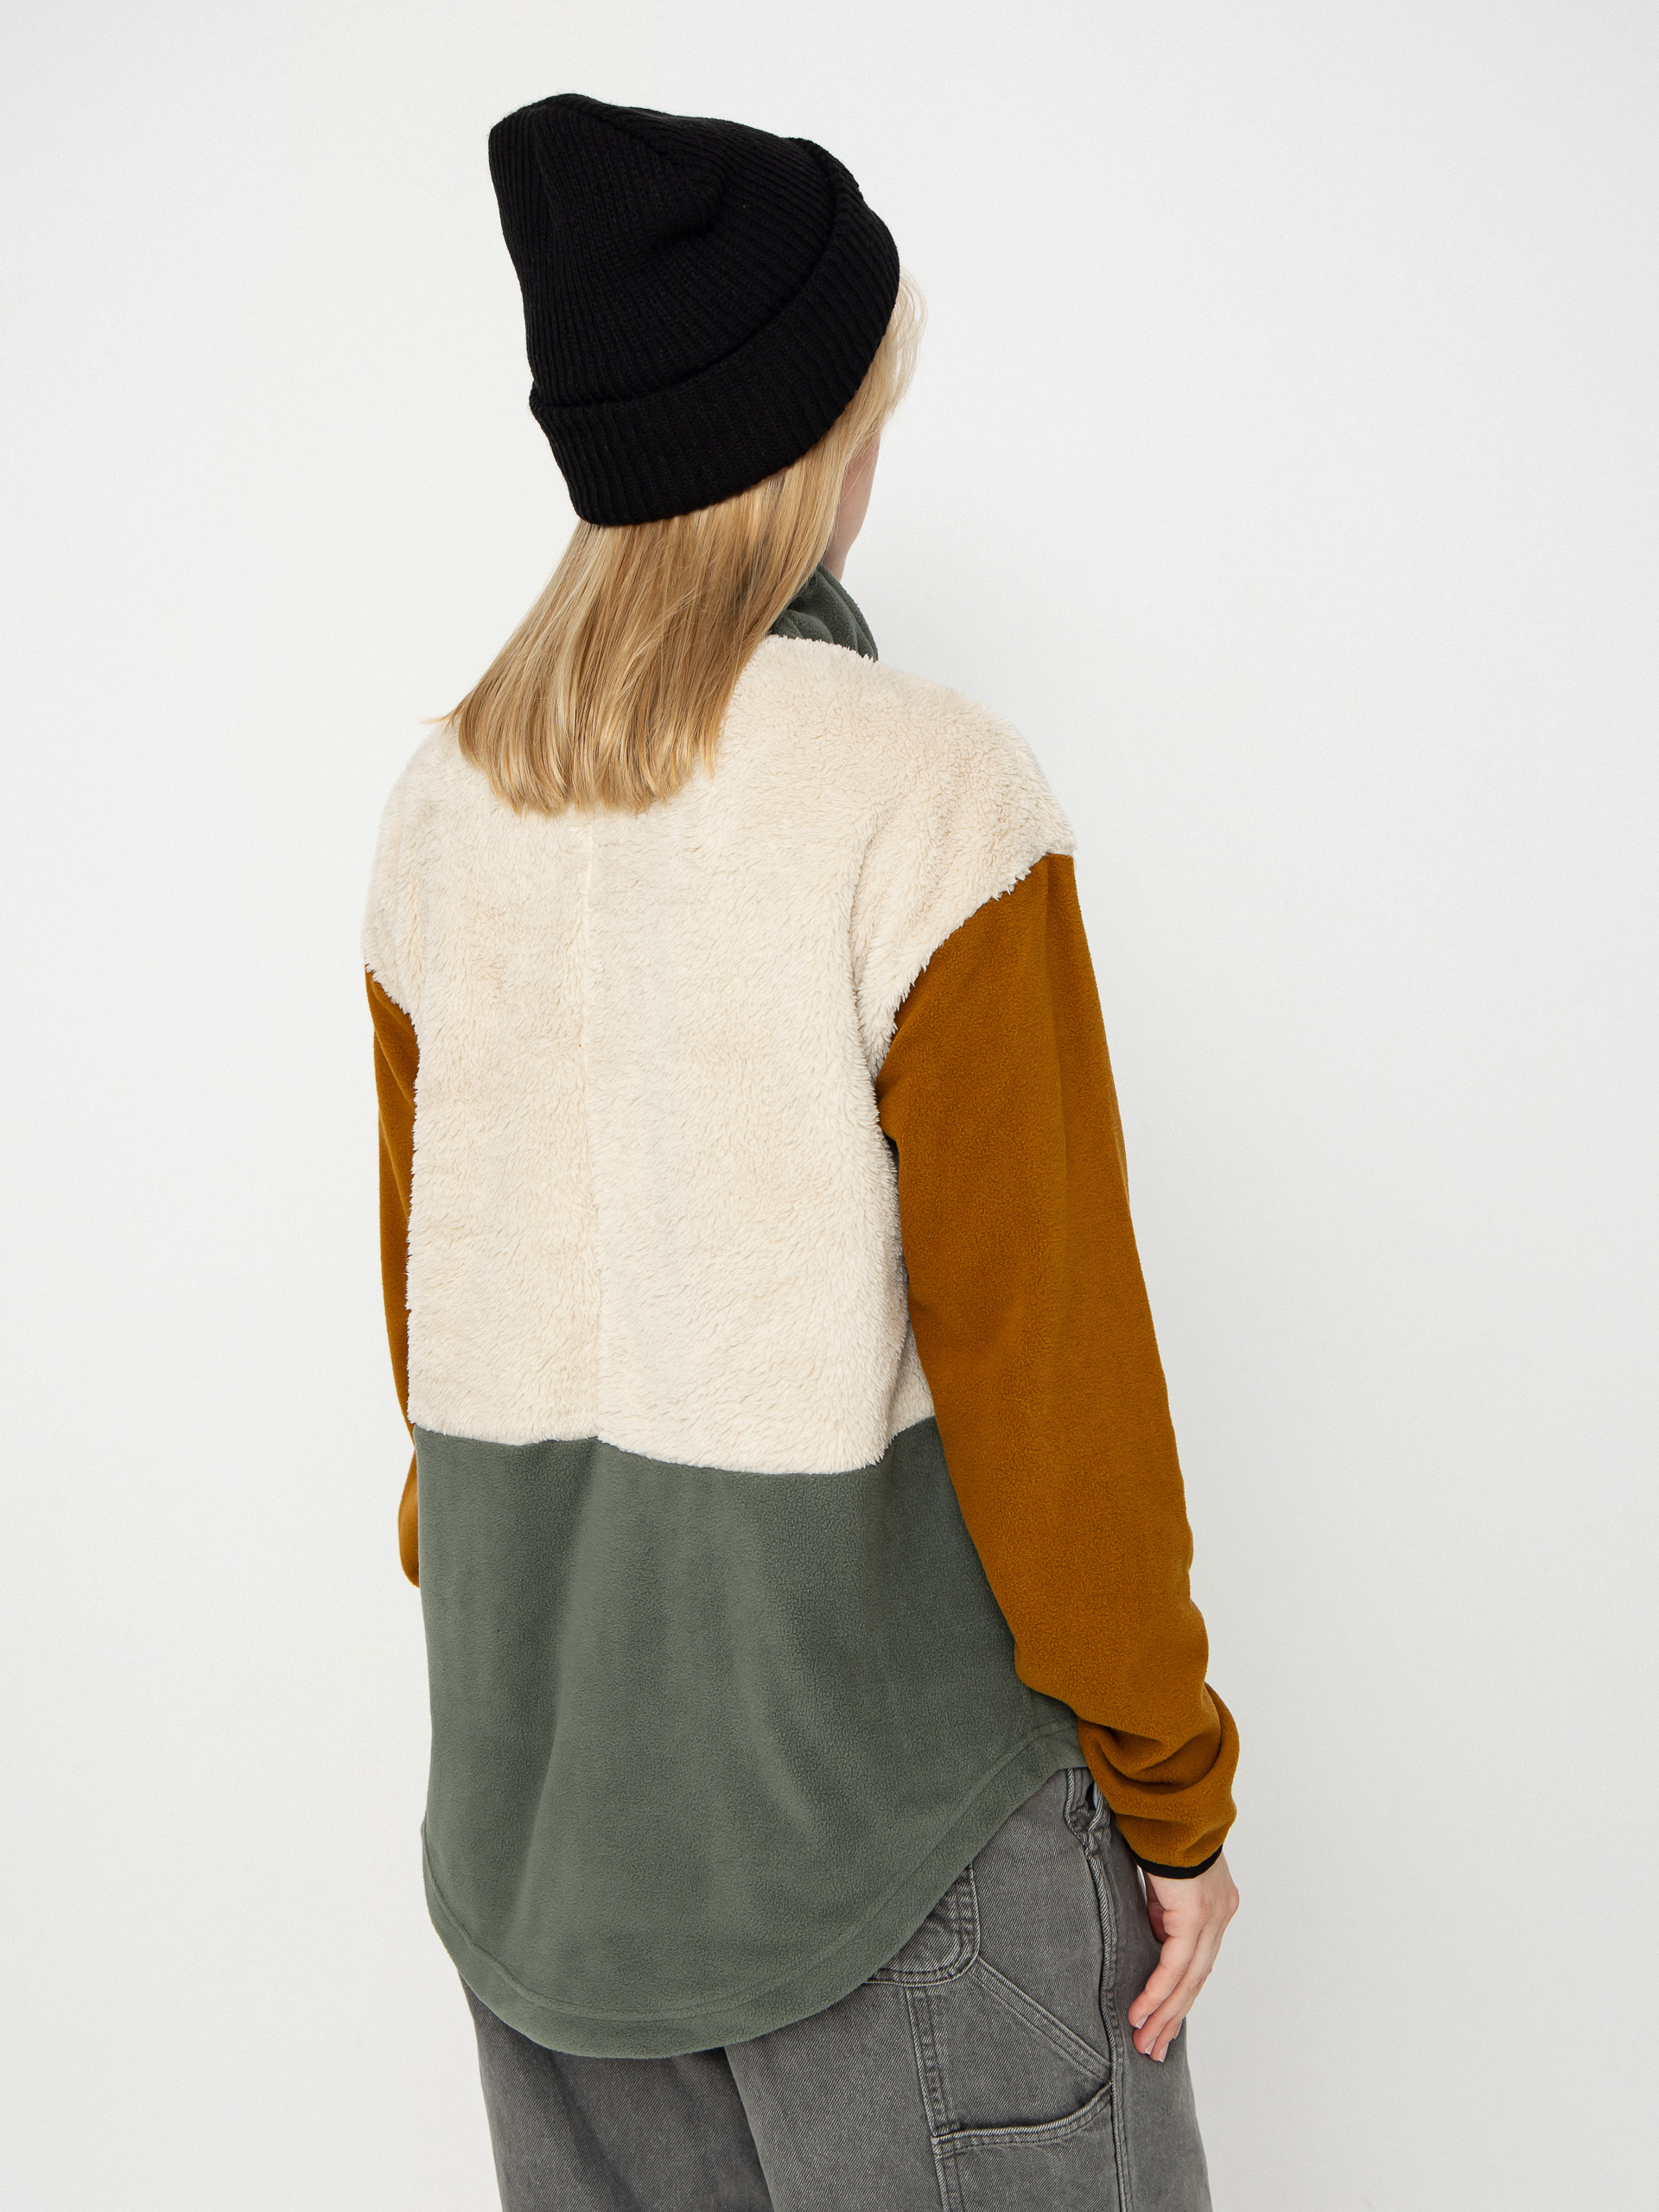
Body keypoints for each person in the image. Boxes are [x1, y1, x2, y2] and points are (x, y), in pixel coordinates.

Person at [365, 90, 1240, 2212]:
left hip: (550, 1862)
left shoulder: (441, 813)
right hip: (894, 1854)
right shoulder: (927, 795)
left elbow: (432, 1361)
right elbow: (1050, 1371)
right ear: (808, 441)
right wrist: (1174, 1791)